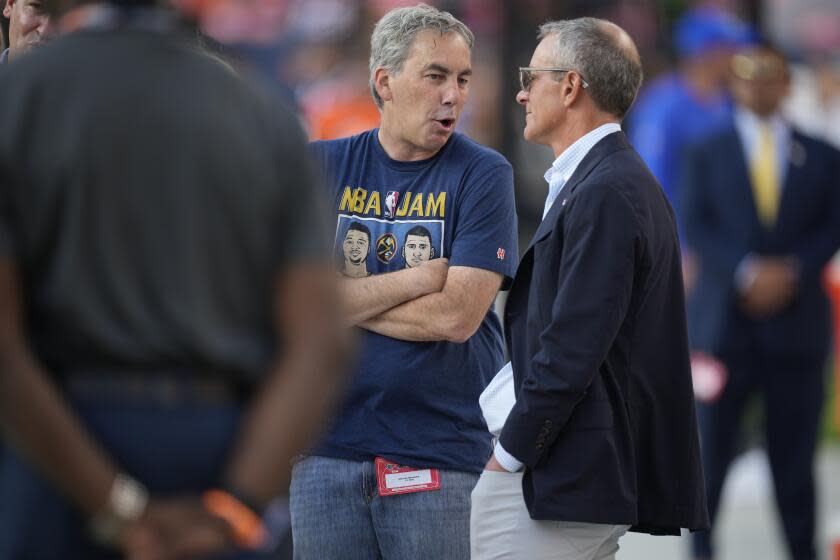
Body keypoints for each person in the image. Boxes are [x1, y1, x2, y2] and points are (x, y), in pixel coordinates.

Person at [0, 0, 348, 558]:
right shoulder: (259, 109)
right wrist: (234, 508)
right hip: (214, 451)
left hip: (57, 456)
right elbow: (323, 341)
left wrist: (119, 511)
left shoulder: (22, 96)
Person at [471, 18, 709, 560]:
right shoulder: (606, 180)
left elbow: (572, 347)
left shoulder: (608, 189)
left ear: (572, 86)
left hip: (564, 474)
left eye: (533, 76)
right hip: (576, 471)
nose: (521, 91)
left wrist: (509, 455)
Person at [291, 4, 518, 559]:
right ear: (385, 82)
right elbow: (289, 304)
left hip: (438, 457)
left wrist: (340, 300)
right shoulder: (320, 166)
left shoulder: (484, 174)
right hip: (325, 450)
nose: (454, 95)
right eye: (435, 75)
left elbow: (455, 317)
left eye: (463, 79)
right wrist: (416, 279)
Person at [682, 44, 840, 560]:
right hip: (725, 327)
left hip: (796, 330)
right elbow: (695, 223)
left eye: (770, 79)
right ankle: (702, 552)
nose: (759, 89)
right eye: (748, 81)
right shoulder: (707, 150)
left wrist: (792, 270)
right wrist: (747, 271)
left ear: (785, 86)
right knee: (712, 457)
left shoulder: (821, 154)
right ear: (736, 87)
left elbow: (831, 225)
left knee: (794, 461)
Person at [628, 7, 751, 291]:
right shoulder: (664, 105)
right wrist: (678, 251)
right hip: (679, 252)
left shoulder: (729, 103)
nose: (738, 57)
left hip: (723, 250)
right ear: (709, 53)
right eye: (730, 49)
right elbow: (650, 183)